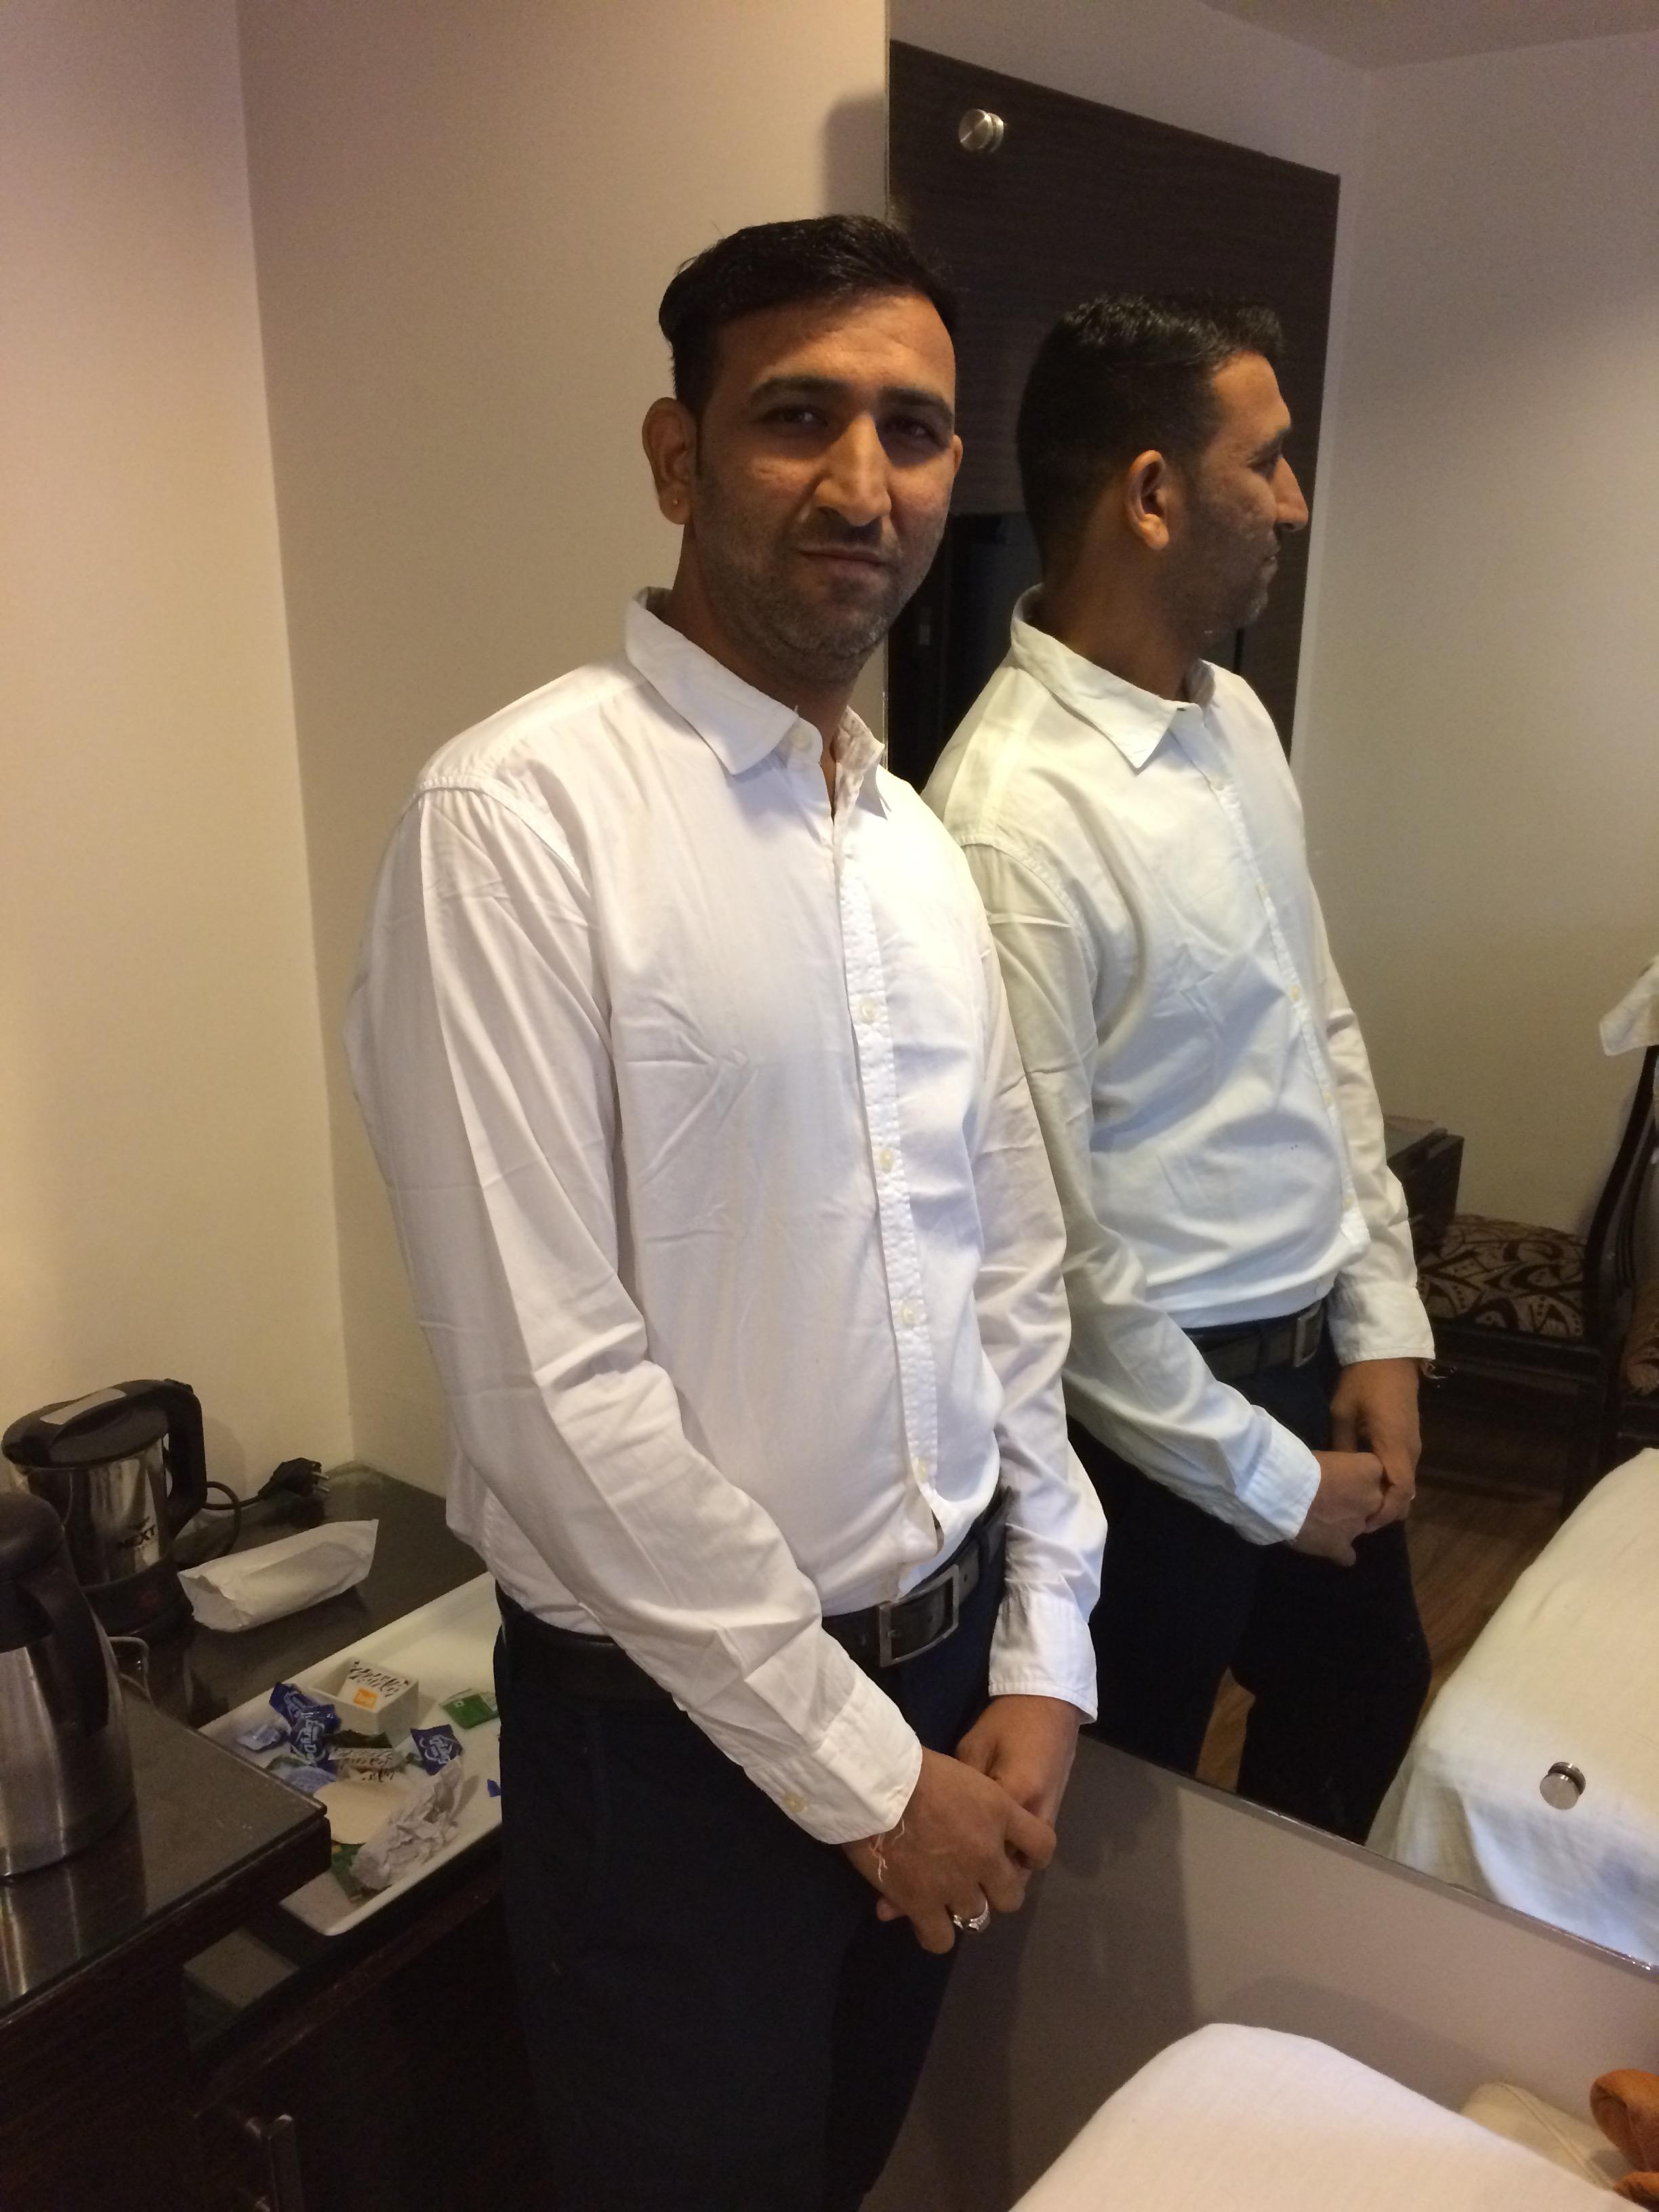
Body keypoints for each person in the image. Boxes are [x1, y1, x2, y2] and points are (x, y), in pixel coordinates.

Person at [346, 216, 1105, 2212]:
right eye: (799, 418)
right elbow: (550, 1394)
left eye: (913, 430)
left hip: (947, 1693)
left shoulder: (915, 847)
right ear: (680, 457)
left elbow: (1007, 1280)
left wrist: (1043, 1643)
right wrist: (867, 1784)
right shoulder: (515, 823)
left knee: (836, 2171)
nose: (865, 481)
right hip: (674, 1755)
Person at [925, 293, 1433, 1845]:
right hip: (1152, 1426)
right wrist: (1270, 1480)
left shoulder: (1238, 721)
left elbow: (1317, 1028)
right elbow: (1053, 1256)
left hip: (1316, 1351)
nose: (1296, 502)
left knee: (1361, 1716)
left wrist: (1380, 1318)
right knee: (1127, 1824)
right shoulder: (1008, 824)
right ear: (1151, 495)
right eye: (1266, 462)